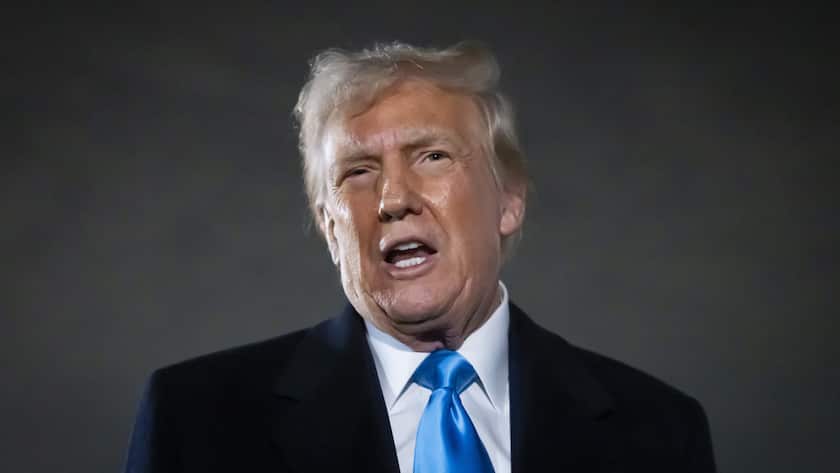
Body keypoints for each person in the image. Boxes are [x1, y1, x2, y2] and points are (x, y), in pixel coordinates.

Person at [124, 41, 716, 473]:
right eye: (358, 172)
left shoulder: (658, 431)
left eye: (432, 157)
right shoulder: (196, 421)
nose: (393, 199)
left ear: (508, 202)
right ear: (331, 229)